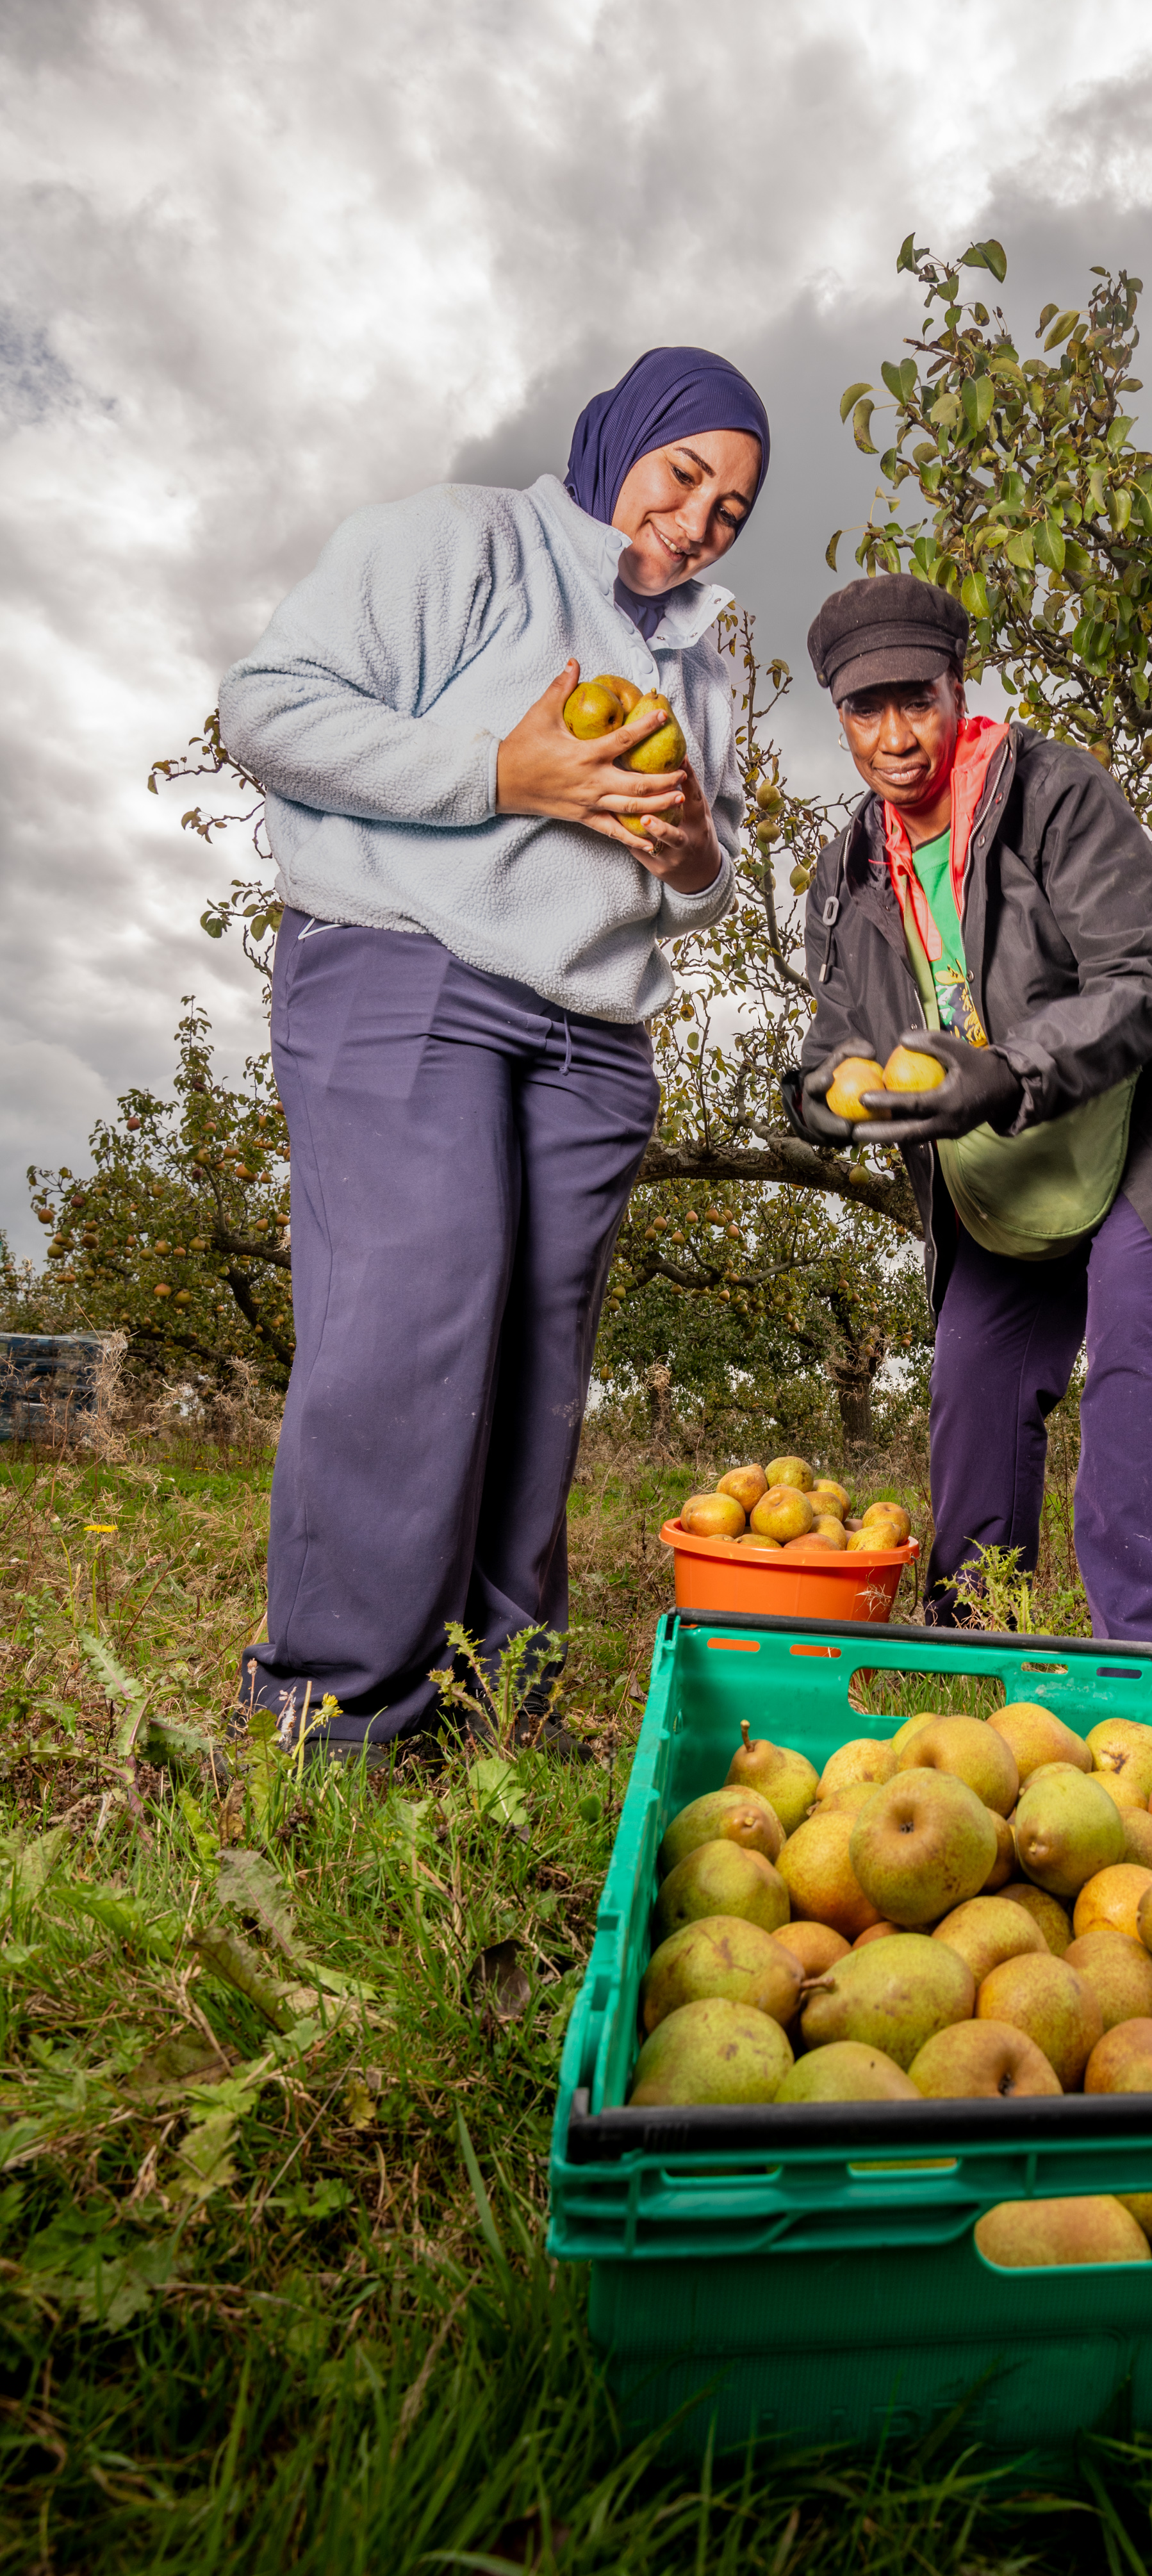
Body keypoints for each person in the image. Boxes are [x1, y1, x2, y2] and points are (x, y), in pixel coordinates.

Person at [219, 347, 768, 1748]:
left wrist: (699, 850)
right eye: (685, 473)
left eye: (731, 508)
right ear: (623, 442)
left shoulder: (703, 654)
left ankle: (492, 1703)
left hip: (591, 1030)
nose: (699, 520)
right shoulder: (470, 540)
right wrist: (502, 773)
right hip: (411, 969)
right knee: (412, 1318)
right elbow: (271, 709)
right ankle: (335, 1710)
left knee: (536, 1362)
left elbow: (701, 885)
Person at [783, 574, 1152, 1669]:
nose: (892, 735)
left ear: (955, 689)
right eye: (862, 710)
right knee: (972, 1373)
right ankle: (975, 1645)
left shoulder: (1053, 794)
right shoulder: (850, 867)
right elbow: (836, 1028)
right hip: (1017, 1159)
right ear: (839, 716)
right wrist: (818, 1095)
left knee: (1131, 1343)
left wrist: (1001, 1072)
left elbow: (1149, 975)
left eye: (913, 701)